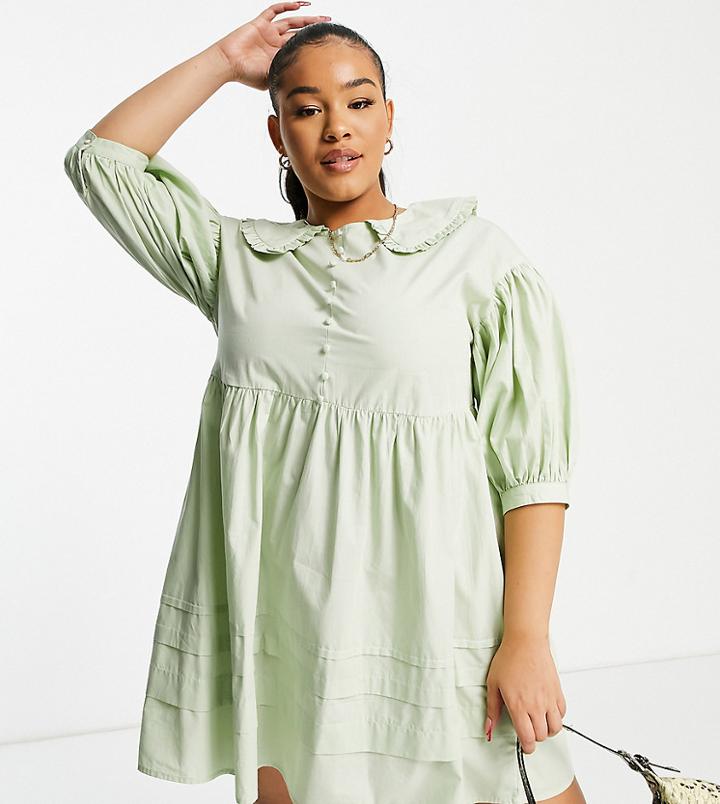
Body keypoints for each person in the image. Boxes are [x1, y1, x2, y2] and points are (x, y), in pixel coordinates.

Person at [63, 3, 587, 803]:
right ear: (278, 134)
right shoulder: (236, 262)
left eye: (358, 101)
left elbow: (532, 471)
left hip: (441, 617)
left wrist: (526, 637)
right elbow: (101, 161)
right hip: (286, 626)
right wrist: (223, 60)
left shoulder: (476, 259)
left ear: (388, 120)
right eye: (306, 110)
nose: (336, 126)